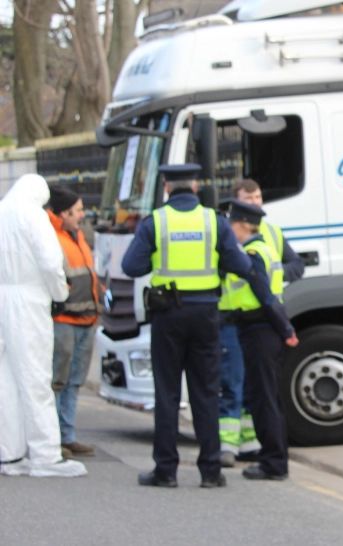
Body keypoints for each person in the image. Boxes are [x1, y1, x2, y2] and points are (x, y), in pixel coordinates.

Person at [121, 164, 280, 488]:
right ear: (195, 186)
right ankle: (210, 471)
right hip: (207, 314)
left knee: (166, 392)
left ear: (166, 186)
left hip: (168, 315)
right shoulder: (214, 221)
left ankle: (165, 470)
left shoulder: (157, 222)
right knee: (205, 391)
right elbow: (241, 264)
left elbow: (131, 266)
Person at [0, 174, 87, 478]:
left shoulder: (2, 212)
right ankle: (45, 454)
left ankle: (10, 454)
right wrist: (60, 293)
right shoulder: (33, 216)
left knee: (6, 380)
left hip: (2, 299)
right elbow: (51, 262)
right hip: (29, 300)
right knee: (37, 376)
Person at [218, 179, 304, 467]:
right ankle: (267, 455)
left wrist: (286, 329)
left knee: (264, 396)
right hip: (257, 326)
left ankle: (273, 461)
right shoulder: (261, 248)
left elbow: (265, 296)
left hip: (259, 326)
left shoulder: (254, 252)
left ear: (242, 224)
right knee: (262, 394)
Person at [47, 186, 100, 459]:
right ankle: (54, 437)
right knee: (59, 379)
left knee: (75, 379)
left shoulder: (77, 235)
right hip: (64, 318)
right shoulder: (53, 238)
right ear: (64, 213)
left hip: (86, 317)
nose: (82, 214)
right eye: (77, 210)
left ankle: (67, 435)